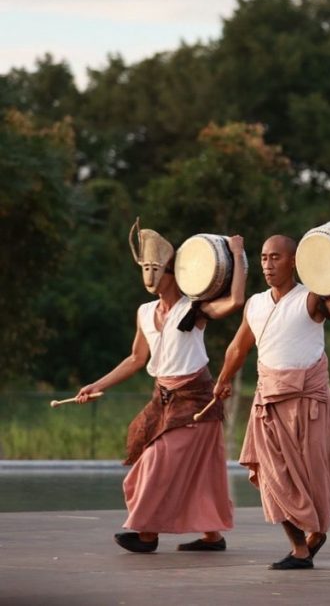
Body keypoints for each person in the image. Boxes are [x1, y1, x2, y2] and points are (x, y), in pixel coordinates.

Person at [76, 223, 244, 554]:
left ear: (173, 272)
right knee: (197, 474)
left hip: (196, 401)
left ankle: (147, 533)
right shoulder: (144, 312)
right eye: (145, 270)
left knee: (157, 461)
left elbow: (236, 301)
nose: (150, 277)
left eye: (156, 270)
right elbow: (136, 359)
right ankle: (212, 536)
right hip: (163, 400)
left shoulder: (193, 309)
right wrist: (97, 384)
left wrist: (238, 255)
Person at [213, 234, 330, 569]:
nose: (268, 265)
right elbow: (237, 348)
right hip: (268, 403)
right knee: (272, 478)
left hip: (308, 402)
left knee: (314, 477)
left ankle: (315, 534)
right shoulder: (256, 304)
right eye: (263, 258)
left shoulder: (313, 297)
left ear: (294, 262)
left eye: (276, 258)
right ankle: (299, 548)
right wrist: (222, 380)